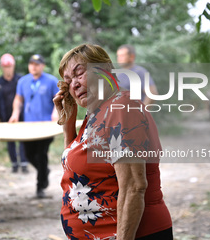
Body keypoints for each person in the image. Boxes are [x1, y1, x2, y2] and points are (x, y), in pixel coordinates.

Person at [53, 44, 173, 239]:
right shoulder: (97, 112)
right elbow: (74, 170)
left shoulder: (120, 108)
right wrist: (68, 120)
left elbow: (134, 186)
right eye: (68, 81)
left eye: (79, 73)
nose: (73, 84)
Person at [9, 54, 59, 198]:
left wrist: (56, 112)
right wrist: (15, 113)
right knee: (29, 154)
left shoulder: (51, 81)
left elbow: (58, 100)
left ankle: (40, 187)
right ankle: (44, 171)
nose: (34, 67)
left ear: (42, 66)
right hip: (28, 126)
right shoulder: (23, 81)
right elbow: (18, 99)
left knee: (41, 154)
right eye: (31, 64)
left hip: (46, 125)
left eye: (37, 64)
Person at [0, 53, 28, 173]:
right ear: (2, 67)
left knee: (23, 139)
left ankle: (24, 163)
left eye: (10, 66)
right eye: (5, 67)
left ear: (13, 66)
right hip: (5, 115)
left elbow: (25, 97)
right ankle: (14, 164)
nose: (8, 69)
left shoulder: (20, 80)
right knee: (10, 141)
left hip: (21, 115)